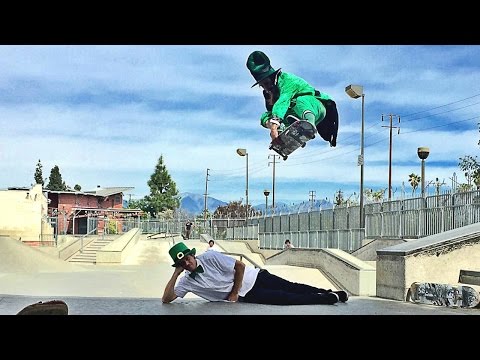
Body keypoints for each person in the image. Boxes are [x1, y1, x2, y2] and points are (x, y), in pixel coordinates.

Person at [162, 242, 348, 306]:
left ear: (192, 255)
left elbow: (240, 266)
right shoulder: (187, 281)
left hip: (255, 277)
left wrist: (234, 292)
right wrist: (175, 275)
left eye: (188, 258)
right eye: (182, 263)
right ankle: (327, 298)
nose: (187, 263)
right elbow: (167, 299)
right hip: (248, 295)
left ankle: (334, 292)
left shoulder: (210, 257)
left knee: (292, 286)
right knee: (286, 298)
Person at [246, 50, 339, 147]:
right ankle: (286, 133)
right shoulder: (269, 94)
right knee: (265, 116)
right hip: (295, 115)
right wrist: (275, 129)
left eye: (267, 83)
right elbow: (271, 113)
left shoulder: (288, 80)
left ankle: (309, 126)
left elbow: (283, 102)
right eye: (262, 86)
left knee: (300, 101)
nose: (266, 88)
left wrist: (274, 126)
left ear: (273, 77)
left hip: (316, 107)